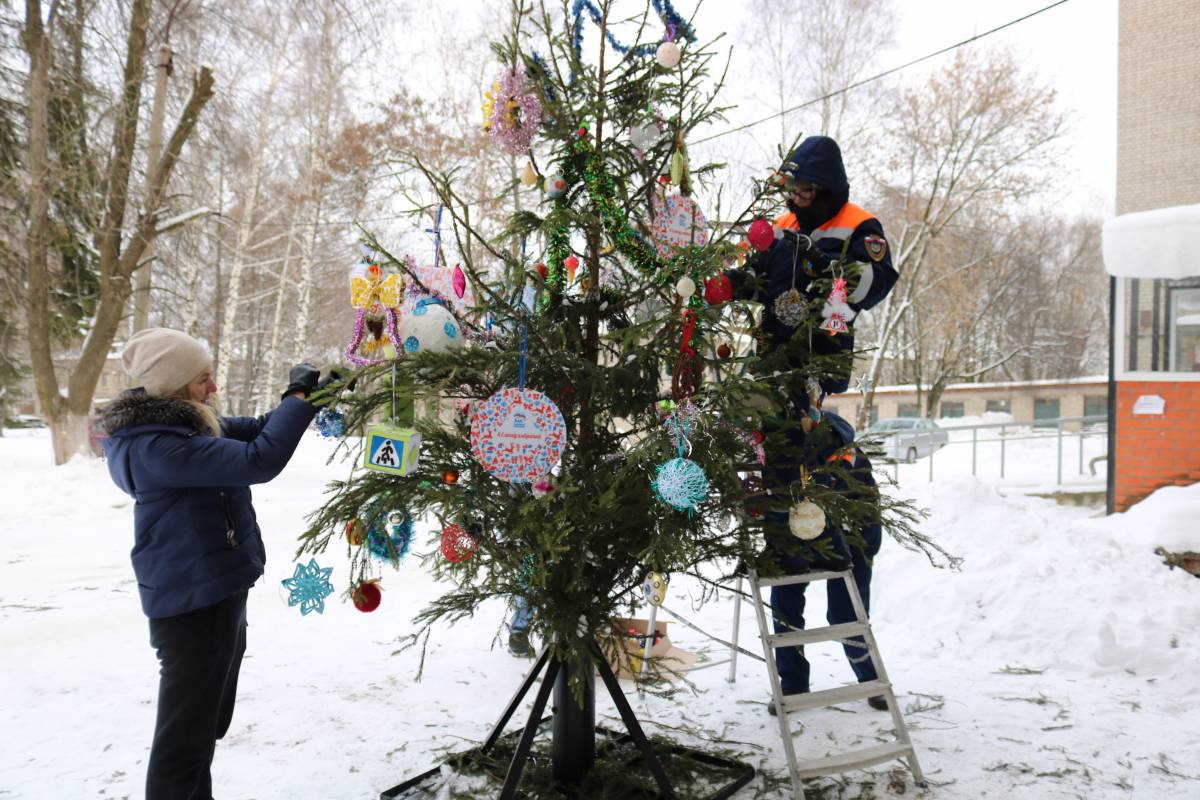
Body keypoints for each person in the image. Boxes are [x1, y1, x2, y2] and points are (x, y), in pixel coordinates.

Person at [101, 327, 331, 800]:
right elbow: (259, 459)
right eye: (204, 377)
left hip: (213, 592)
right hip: (192, 606)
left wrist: (314, 395)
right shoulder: (159, 447)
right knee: (182, 747)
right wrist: (297, 395)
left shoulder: (187, 425)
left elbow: (266, 426)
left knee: (201, 731)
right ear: (175, 384)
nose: (214, 387)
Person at [725, 135, 897, 712]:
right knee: (784, 544)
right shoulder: (778, 225)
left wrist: (826, 281)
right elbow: (751, 280)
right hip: (771, 371)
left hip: (820, 367)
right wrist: (722, 282)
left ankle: (864, 670)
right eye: (792, 189)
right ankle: (792, 679)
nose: (797, 198)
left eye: (806, 189)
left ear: (827, 188)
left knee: (840, 544)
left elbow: (872, 284)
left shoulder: (857, 224)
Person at [766, 409, 887, 714]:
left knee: (847, 614)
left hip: (851, 538)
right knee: (785, 601)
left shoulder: (847, 457)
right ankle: (793, 685)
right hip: (794, 534)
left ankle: (871, 679)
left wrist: (861, 551)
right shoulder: (778, 451)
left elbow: (865, 514)